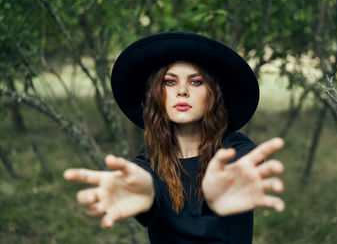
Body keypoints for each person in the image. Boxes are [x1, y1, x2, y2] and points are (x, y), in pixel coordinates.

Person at [64, 32, 285, 244]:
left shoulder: (233, 148)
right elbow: (144, 180)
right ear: (155, 94)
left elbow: (245, 163)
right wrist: (147, 192)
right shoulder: (149, 162)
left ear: (214, 94)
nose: (182, 91)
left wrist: (226, 186)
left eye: (196, 82)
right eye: (169, 82)